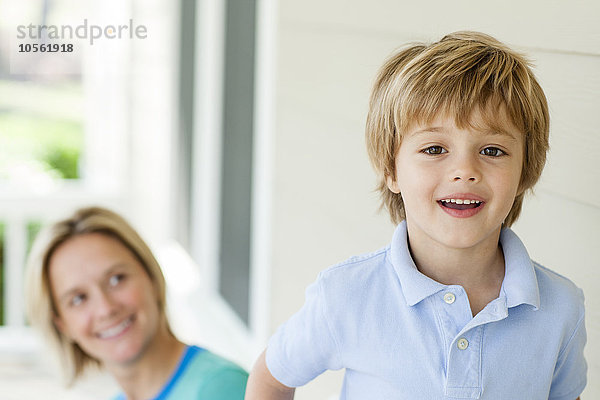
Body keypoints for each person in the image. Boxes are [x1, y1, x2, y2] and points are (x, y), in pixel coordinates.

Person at [245, 31, 586, 399]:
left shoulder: (560, 307)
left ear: (526, 172)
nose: (464, 170)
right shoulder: (347, 296)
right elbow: (272, 379)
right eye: (435, 148)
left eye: (492, 149)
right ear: (391, 170)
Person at [26, 206, 248, 400]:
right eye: (78, 298)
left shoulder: (221, 389)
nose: (105, 308)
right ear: (61, 325)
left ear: (151, 277)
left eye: (116, 279)